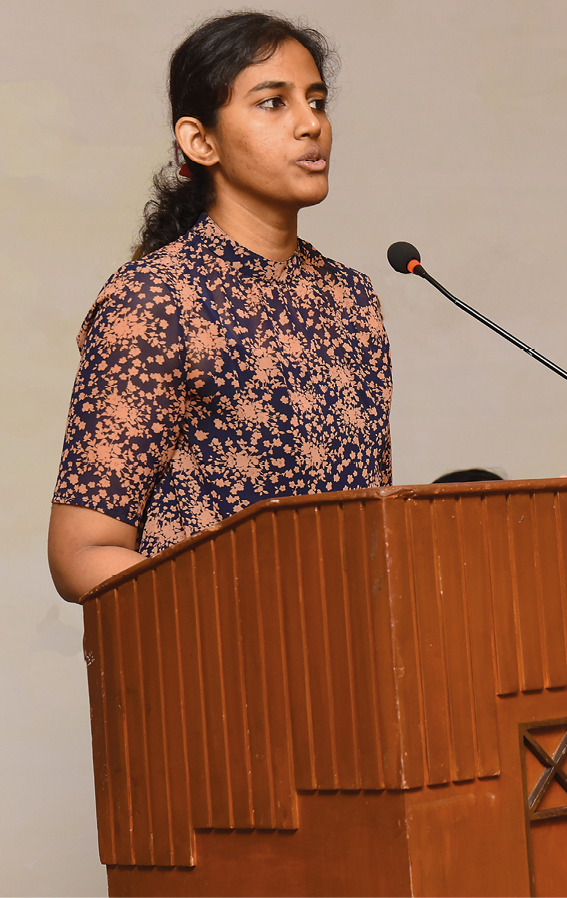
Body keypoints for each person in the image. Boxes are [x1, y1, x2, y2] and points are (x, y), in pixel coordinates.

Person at [48, 11, 393, 603]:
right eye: (272, 103)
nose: (311, 124)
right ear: (199, 141)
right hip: (209, 667)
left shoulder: (351, 299)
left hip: (342, 663)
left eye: (317, 100)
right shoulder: (157, 299)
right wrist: (231, 614)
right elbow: (82, 551)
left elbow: (369, 522)